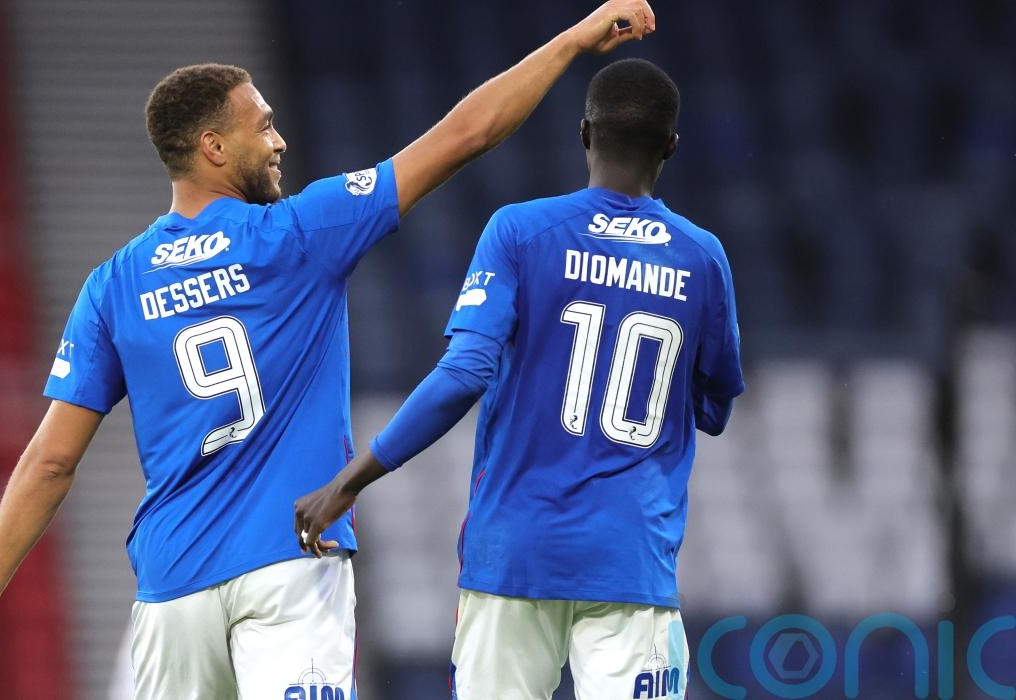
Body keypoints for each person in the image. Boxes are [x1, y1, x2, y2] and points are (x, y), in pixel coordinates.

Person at [0, 3, 658, 699]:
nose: (279, 142)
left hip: (172, 589)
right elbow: (466, 133)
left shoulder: (113, 285)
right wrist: (570, 41)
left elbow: (52, 460)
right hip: (290, 563)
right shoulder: (302, 233)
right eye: (263, 126)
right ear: (214, 148)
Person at [294, 57, 743, 700]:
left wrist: (349, 481)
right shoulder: (701, 256)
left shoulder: (520, 231)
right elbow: (715, 407)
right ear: (671, 145)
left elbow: (463, 374)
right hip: (630, 558)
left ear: (584, 133)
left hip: (514, 551)